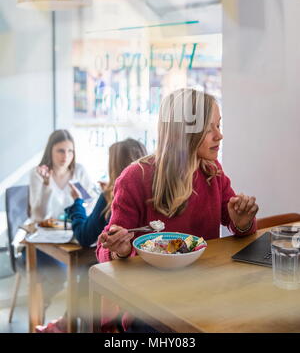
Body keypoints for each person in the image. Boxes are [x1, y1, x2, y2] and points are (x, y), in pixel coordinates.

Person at [97, 88, 259, 333]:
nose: (220, 135)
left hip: (205, 294)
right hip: (151, 308)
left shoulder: (212, 171)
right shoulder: (136, 177)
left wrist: (243, 221)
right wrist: (120, 250)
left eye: (219, 125)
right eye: (209, 129)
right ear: (184, 132)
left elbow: (239, 225)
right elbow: (104, 251)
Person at [36, 138, 147, 333]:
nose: (65, 156)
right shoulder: (152, 192)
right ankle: (64, 321)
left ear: (114, 166)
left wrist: (76, 203)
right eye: (61, 151)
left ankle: (64, 323)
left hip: (119, 280)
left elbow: (84, 236)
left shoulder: (111, 196)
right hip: (143, 274)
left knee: (86, 272)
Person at [23, 130, 98, 326]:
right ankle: (46, 307)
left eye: (70, 151)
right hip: (45, 240)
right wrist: (47, 186)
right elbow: (38, 216)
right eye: (60, 151)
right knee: (60, 275)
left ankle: (68, 320)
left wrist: (81, 203)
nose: (66, 157)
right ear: (50, 151)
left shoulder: (79, 171)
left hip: (72, 236)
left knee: (89, 269)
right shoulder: (39, 173)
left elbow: (91, 203)